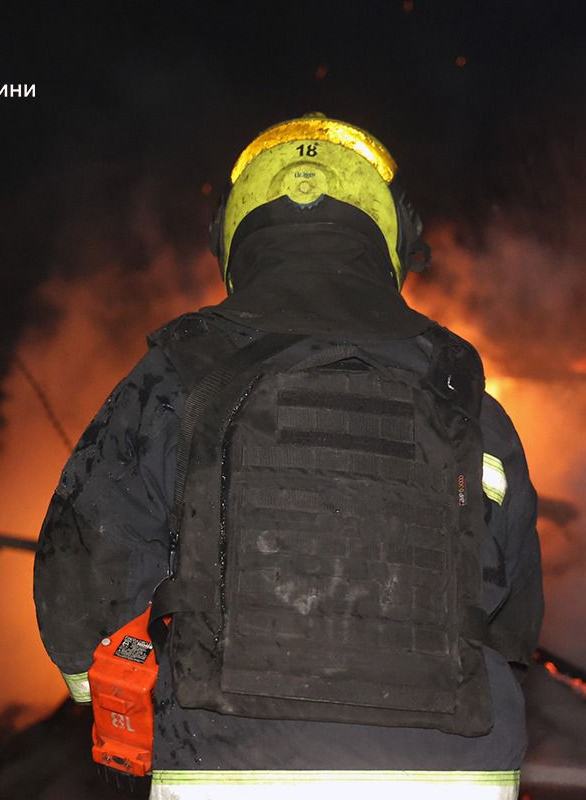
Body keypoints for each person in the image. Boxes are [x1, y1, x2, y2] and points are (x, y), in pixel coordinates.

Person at [34, 113, 543, 800]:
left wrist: (100, 685)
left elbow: (81, 575)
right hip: (453, 778)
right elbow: (513, 622)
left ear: (233, 237)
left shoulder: (180, 374)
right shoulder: (464, 394)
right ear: (394, 236)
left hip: (228, 773)